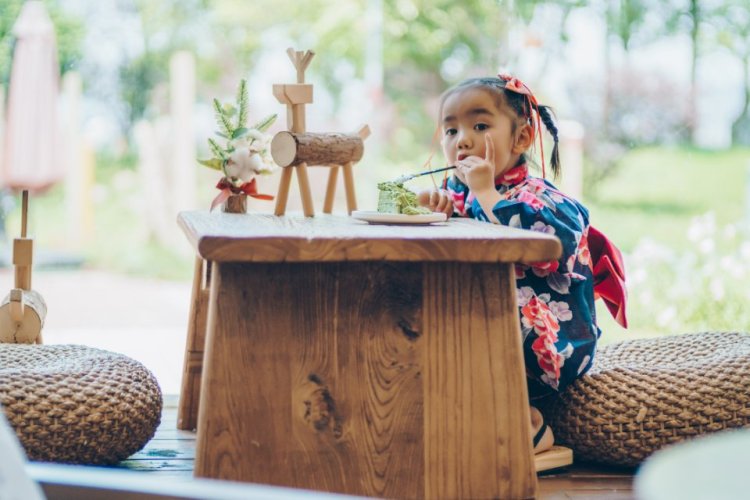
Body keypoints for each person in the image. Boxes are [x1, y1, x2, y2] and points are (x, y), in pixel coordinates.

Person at [418, 74, 628, 460]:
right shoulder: (458, 195)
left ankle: (529, 422)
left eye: (480, 126)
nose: (461, 139)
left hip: (548, 341)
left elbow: (545, 247)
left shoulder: (545, 200)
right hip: (487, 322)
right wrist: (434, 208)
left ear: (522, 139)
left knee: (463, 328)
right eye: (450, 129)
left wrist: (486, 194)